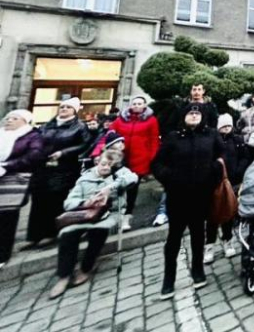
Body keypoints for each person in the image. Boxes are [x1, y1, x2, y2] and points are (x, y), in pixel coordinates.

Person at [152, 105, 224, 299]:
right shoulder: (173, 137)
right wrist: (169, 177)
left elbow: (222, 156)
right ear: (184, 116)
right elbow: (157, 163)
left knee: (198, 234)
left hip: (201, 194)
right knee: (173, 237)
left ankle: (198, 270)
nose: (194, 116)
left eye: (197, 113)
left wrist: (214, 174)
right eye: (190, 113)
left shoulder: (210, 135)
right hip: (177, 195)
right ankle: (169, 279)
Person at [48, 149, 138, 299]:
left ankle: (85, 268)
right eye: (103, 163)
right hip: (85, 214)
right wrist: (86, 202)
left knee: (98, 231)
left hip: (110, 214)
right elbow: (68, 203)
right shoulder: (85, 178)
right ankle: (64, 276)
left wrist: (110, 187)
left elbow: (133, 178)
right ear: (97, 161)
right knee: (67, 234)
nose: (106, 167)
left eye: (110, 165)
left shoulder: (119, 174)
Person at [27, 98, 91, 247]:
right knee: (37, 200)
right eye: (62, 106)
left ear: (74, 110)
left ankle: (51, 233)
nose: (64, 109)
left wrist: (64, 153)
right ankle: (34, 235)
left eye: (68, 107)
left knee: (55, 201)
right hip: (43, 167)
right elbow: (37, 140)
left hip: (64, 168)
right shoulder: (48, 124)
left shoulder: (79, 126)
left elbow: (85, 144)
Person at [0, 110, 45, 269]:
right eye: (7, 118)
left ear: (25, 121)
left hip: (14, 179)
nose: (9, 120)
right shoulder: (2, 134)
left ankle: (2, 253)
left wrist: (6, 166)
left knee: (7, 216)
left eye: (14, 118)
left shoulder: (31, 136)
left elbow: (35, 155)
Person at [109, 95, 160, 231]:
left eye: (139, 104)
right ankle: (117, 213)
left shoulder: (151, 120)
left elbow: (154, 140)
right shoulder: (121, 119)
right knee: (119, 186)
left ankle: (127, 216)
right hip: (121, 159)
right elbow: (111, 133)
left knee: (132, 188)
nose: (136, 106)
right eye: (134, 103)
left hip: (140, 159)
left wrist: (151, 158)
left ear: (144, 106)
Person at [204, 114, 249, 265]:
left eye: (228, 126)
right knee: (213, 215)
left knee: (229, 212)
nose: (226, 128)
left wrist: (238, 171)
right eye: (223, 126)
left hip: (233, 181)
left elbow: (244, 157)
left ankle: (227, 239)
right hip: (215, 183)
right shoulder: (212, 141)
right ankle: (209, 245)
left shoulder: (237, 140)